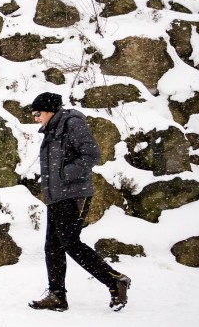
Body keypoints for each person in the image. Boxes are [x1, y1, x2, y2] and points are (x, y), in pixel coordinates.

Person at [27, 92, 131, 312]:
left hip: (74, 195)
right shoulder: (52, 131)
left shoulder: (71, 123)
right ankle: (57, 296)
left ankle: (115, 280)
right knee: (53, 247)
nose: (36, 119)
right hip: (56, 197)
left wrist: (65, 175)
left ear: (49, 110)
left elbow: (92, 154)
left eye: (37, 114)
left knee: (70, 243)